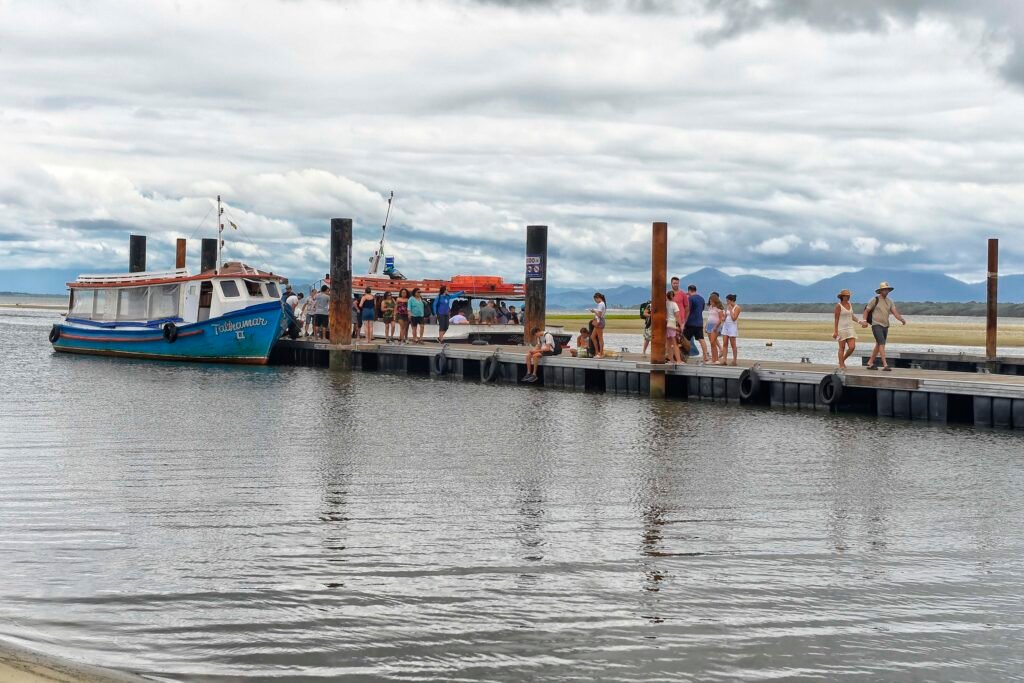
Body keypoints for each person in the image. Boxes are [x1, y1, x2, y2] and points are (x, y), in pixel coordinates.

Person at [863, 281, 907, 371]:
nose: (886, 291)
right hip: (876, 325)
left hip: (885, 326)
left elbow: (895, 312)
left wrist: (901, 319)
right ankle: (885, 365)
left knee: (878, 344)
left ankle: (870, 362)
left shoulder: (890, 301)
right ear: (880, 291)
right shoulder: (875, 300)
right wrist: (864, 321)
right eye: (884, 290)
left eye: (887, 290)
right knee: (882, 344)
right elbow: (866, 310)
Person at [833, 289, 868, 369]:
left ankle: (842, 360)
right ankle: (841, 364)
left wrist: (860, 322)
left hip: (850, 328)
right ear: (842, 297)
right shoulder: (838, 306)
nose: (848, 297)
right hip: (841, 329)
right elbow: (836, 319)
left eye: (849, 296)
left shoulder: (850, 304)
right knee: (842, 348)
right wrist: (835, 331)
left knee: (852, 347)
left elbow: (852, 316)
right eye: (846, 296)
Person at [685, 284, 709, 362]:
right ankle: (705, 356)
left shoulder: (690, 299)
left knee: (686, 339)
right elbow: (701, 309)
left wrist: (684, 321)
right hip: (699, 322)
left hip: (690, 322)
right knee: (701, 339)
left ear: (689, 291)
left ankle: (685, 354)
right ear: (695, 290)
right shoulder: (702, 299)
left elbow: (688, 310)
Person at [719, 294, 740, 366]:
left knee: (733, 344)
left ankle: (734, 360)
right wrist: (723, 318)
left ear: (731, 300)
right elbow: (724, 317)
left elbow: (734, 318)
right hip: (726, 326)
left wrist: (731, 310)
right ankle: (724, 360)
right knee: (725, 343)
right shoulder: (727, 307)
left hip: (732, 327)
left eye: (727, 300)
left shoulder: (737, 308)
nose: (726, 302)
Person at [705, 292, 725, 363]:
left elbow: (721, 318)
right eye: (710, 301)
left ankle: (716, 359)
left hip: (715, 326)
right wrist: (706, 326)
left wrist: (716, 327)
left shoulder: (719, 308)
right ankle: (713, 359)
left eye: (712, 301)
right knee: (711, 343)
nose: (710, 302)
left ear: (715, 300)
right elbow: (709, 317)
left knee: (713, 342)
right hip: (709, 325)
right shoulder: (710, 307)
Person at [665, 290, 682, 363]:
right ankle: (678, 360)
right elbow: (677, 315)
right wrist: (680, 325)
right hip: (672, 324)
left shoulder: (665, 303)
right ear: (673, 296)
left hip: (666, 324)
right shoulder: (674, 304)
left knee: (668, 343)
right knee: (675, 344)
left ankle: (671, 359)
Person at [590, 292, 607, 359]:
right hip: (599, 322)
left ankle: (601, 353)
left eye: (595, 300)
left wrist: (594, 311)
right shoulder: (602, 303)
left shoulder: (600, 304)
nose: (595, 301)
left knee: (600, 338)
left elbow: (599, 315)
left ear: (597, 298)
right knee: (592, 337)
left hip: (599, 322)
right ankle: (597, 352)